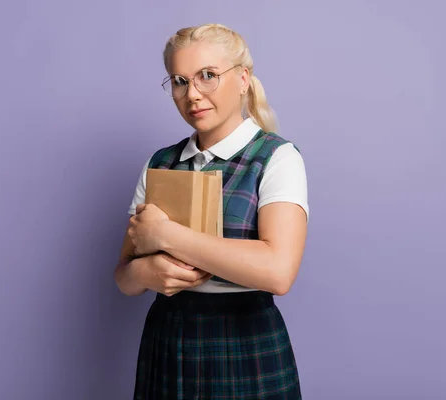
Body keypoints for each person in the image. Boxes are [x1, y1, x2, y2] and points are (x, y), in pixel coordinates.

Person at [114, 23, 309, 400]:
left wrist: (167, 236)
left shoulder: (276, 157)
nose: (193, 95)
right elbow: (123, 277)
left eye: (208, 76)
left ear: (242, 79)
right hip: (168, 341)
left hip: (246, 343)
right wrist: (146, 270)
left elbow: (278, 271)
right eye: (179, 81)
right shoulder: (161, 162)